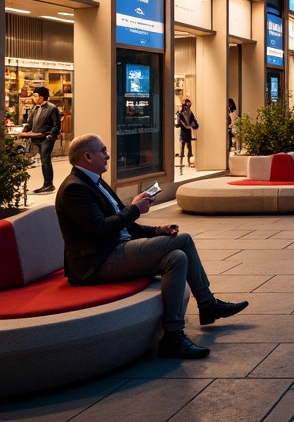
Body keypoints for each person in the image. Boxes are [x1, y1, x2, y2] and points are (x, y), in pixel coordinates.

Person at [55, 133, 247, 359]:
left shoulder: (95, 182)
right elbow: (101, 229)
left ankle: (173, 335)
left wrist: (158, 230)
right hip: (97, 262)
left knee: (177, 258)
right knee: (183, 240)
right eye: (103, 151)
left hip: (116, 251)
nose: (108, 155)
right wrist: (135, 208)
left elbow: (125, 226)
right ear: (87, 156)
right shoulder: (74, 188)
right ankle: (207, 304)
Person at [23, 86, 61, 193]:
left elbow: (56, 125)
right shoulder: (35, 108)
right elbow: (30, 123)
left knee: (45, 160)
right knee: (39, 160)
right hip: (36, 137)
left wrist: (51, 134)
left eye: (35, 96)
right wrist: (26, 128)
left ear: (42, 97)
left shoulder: (52, 108)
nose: (33, 98)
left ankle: (48, 184)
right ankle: (47, 183)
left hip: (46, 138)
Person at [176, 98, 199, 168]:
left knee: (189, 147)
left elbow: (194, 122)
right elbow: (177, 123)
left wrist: (192, 125)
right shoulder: (180, 113)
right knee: (183, 147)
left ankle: (189, 162)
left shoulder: (189, 113)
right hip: (184, 131)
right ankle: (181, 161)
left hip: (187, 131)